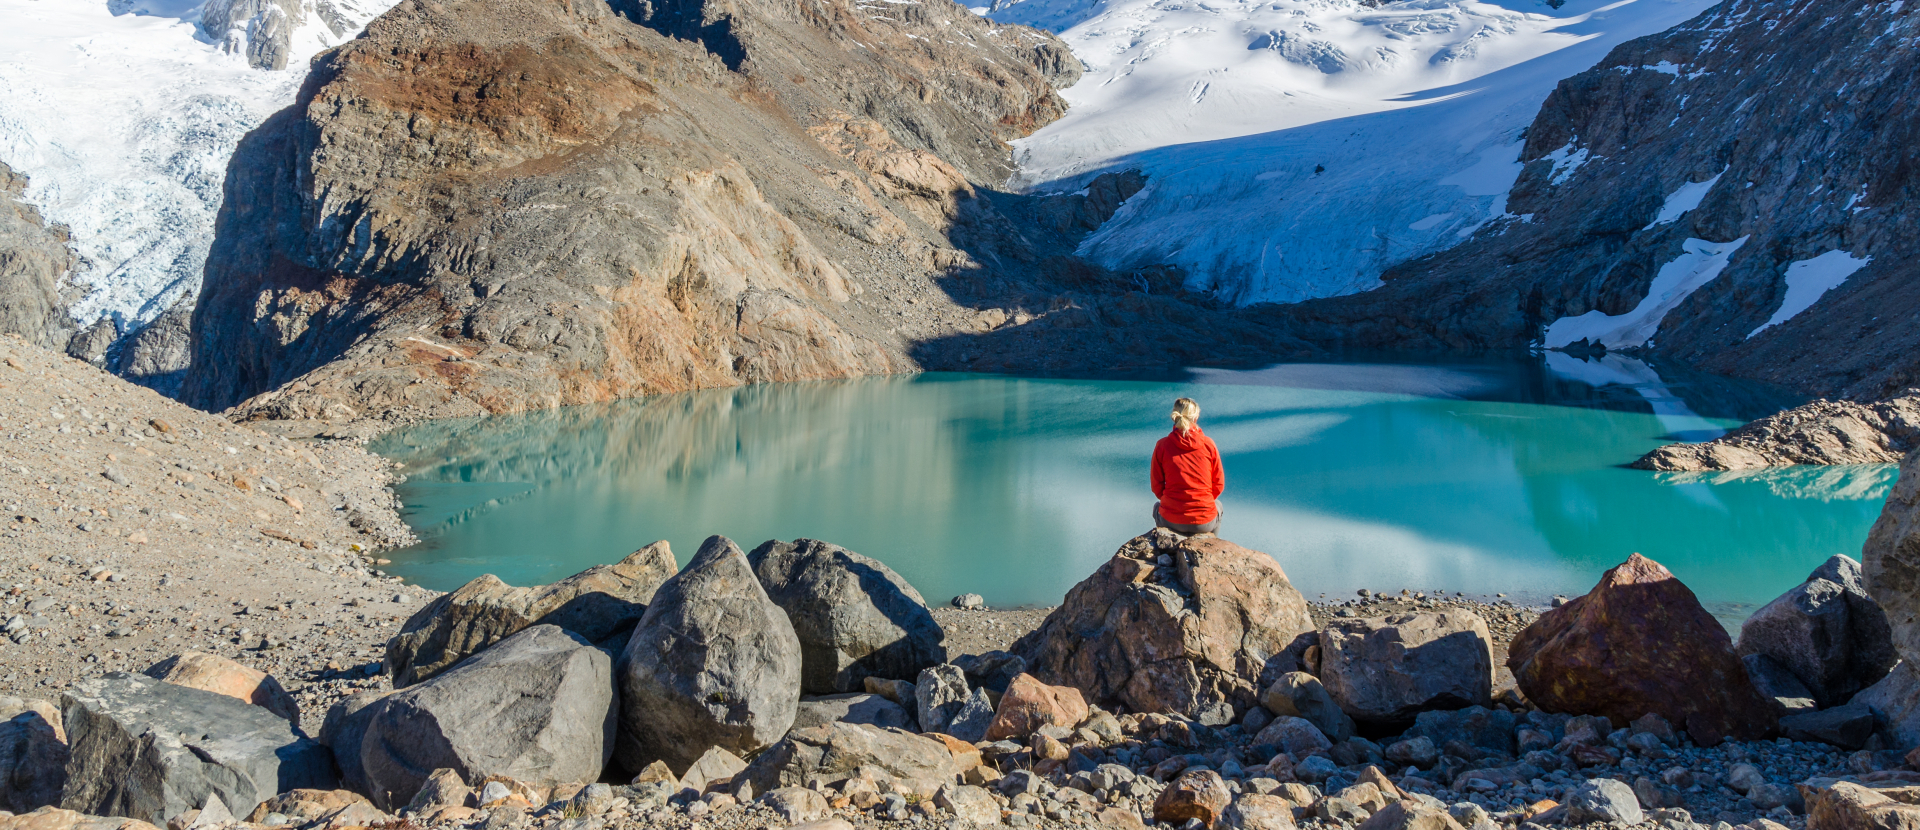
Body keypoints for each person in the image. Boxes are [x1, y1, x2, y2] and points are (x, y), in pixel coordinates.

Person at [1150, 397, 1223, 535]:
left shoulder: (1162, 445)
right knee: (1218, 506)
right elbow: (1218, 484)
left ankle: (1167, 550)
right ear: (1195, 418)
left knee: (1157, 507)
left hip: (1171, 520)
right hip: (1204, 522)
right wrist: (1201, 502)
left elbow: (1156, 486)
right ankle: (1210, 545)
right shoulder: (1208, 444)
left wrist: (1173, 503)